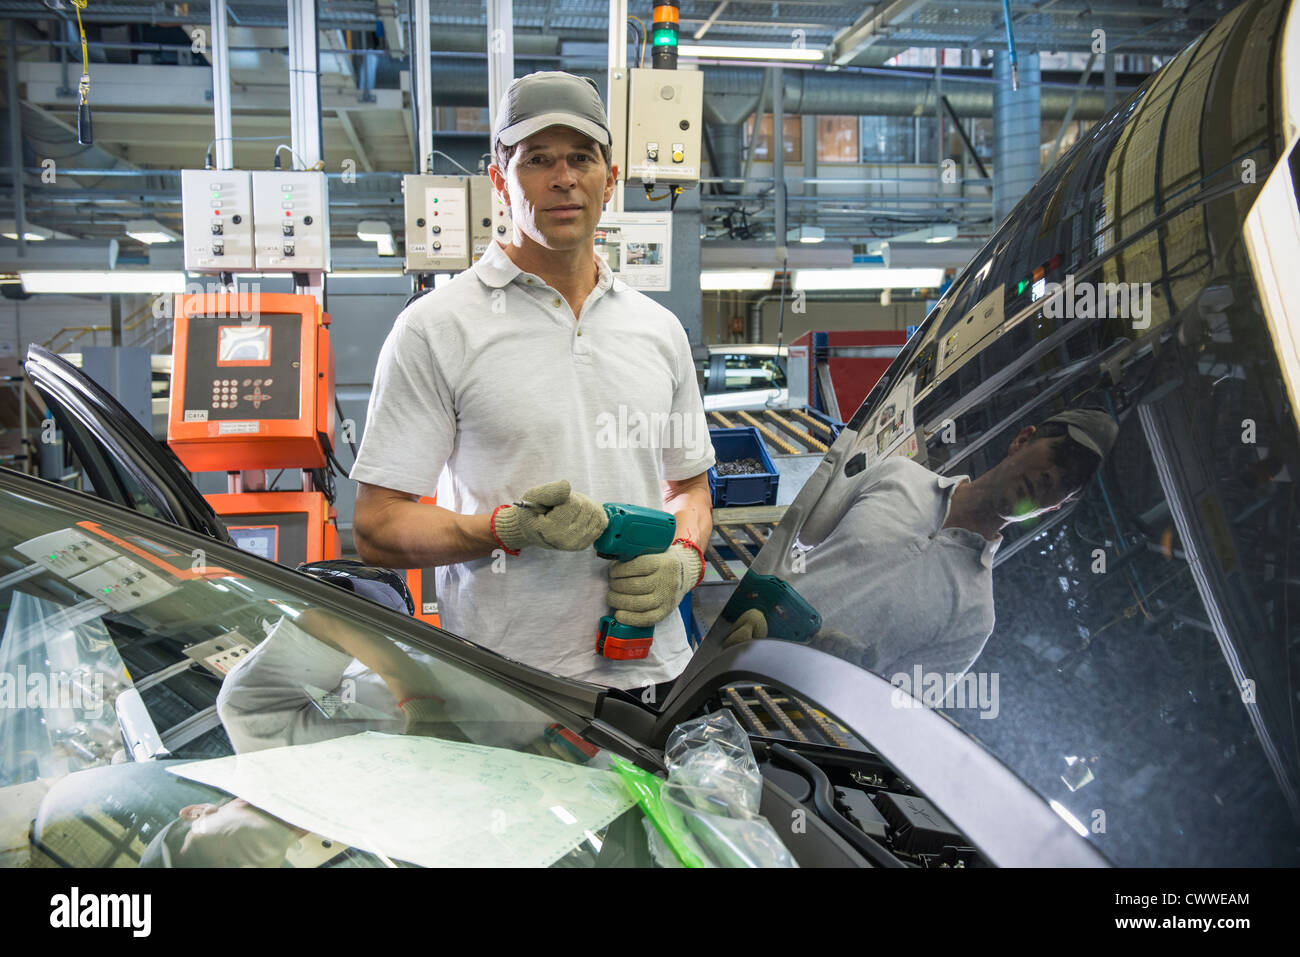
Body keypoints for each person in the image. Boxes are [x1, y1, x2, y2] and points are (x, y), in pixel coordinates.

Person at [350, 71, 714, 689]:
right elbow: (378, 526)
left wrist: (685, 559)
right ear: (499, 179)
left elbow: (690, 490)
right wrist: (500, 529)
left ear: (611, 177)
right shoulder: (437, 327)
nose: (563, 178)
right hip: (504, 681)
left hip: (651, 671)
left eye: (581, 158)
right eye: (537, 160)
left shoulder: (659, 330)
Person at [727, 410, 1118, 688]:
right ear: (1022, 439)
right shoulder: (897, 474)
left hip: (779, 723)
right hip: (731, 646)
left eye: (1065, 483)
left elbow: (890, 719)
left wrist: (846, 679)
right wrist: (749, 601)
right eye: (1058, 457)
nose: (1051, 477)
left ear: (1054, 507)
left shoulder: (974, 618)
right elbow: (799, 531)